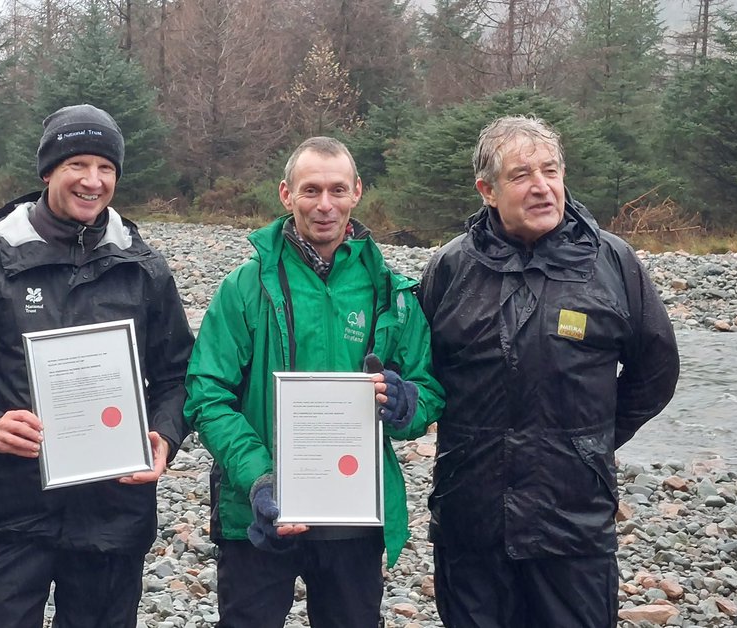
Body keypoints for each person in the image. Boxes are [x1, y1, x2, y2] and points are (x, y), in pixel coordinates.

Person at [0, 103, 195, 628]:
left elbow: (177, 375)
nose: (93, 181)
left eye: (106, 167)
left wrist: (165, 434)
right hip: (10, 510)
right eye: (77, 165)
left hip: (114, 511)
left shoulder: (144, 268)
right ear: (48, 171)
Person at [418, 115, 680, 628]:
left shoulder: (612, 262)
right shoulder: (451, 267)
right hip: (471, 515)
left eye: (551, 170)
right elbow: (421, 372)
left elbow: (656, 370)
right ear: (487, 191)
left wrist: (591, 443)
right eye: (521, 175)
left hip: (573, 522)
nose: (541, 187)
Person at [184, 136, 445, 627]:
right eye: (311, 190)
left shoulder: (391, 291)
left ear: (357, 192)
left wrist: (407, 403)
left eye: (337, 190)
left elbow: (428, 389)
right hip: (261, 513)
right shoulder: (245, 286)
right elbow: (206, 395)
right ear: (286, 194)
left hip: (355, 518)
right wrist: (259, 477)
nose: (325, 204)